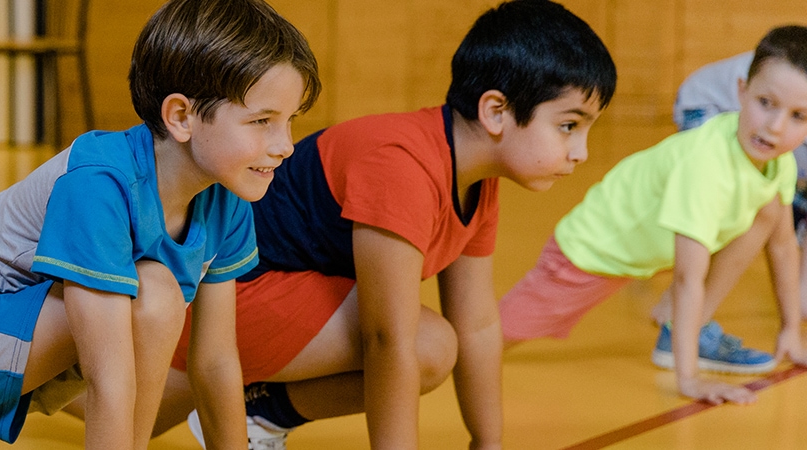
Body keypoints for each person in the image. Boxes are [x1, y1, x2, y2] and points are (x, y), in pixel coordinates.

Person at [120, 1, 615, 448]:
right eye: (569, 125)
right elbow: (387, 340)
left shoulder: (478, 181)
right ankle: (258, 413)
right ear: (495, 111)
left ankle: (257, 411)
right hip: (224, 304)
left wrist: (488, 444)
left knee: (441, 340)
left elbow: (480, 325)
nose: (581, 151)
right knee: (425, 343)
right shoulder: (402, 162)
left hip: (269, 312)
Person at [0, 0, 320, 448]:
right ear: (180, 116)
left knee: (153, 295)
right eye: (262, 121)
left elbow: (215, 363)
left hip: (10, 361)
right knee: (154, 293)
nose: (286, 144)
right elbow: (108, 379)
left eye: (290, 121)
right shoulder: (100, 181)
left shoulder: (226, 199)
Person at [501, 25, 807, 405]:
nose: (776, 127)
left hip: (651, 249)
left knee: (768, 213)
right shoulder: (705, 165)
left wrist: (791, 330)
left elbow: (782, 246)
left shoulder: (779, 163)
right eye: (766, 103)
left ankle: (679, 325)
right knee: (488, 340)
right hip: (595, 252)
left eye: (798, 116)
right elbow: (687, 277)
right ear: (741, 92)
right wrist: (690, 378)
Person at [647, 48, 807, 325]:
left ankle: (682, 311)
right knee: (745, 203)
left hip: (768, 119)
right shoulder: (783, 99)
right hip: (708, 103)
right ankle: (683, 316)